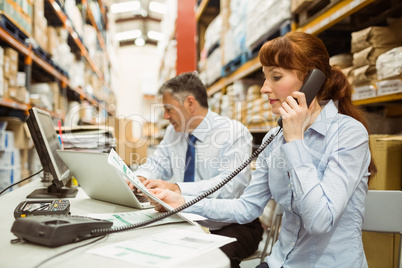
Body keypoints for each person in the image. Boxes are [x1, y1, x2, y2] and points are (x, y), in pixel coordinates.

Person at [148, 32, 376, 268]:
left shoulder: (349, 134)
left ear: (312, 80)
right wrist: (182, 201)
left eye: (276, 77)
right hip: (279, 262)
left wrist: (295, 141)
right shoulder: (274, 138)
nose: (264, 88)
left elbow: (320, 220)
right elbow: (247, 207)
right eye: (264, 77)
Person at [129, 72, 263, 268]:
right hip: (186, 216)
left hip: (231, 224)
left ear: (190, 103)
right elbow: (157, 163)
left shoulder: (233, 132)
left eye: (168, 109)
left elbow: (229, 188)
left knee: (208, 262)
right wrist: (141, 177)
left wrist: (177, 189)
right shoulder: (173, 132)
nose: (165, 116)